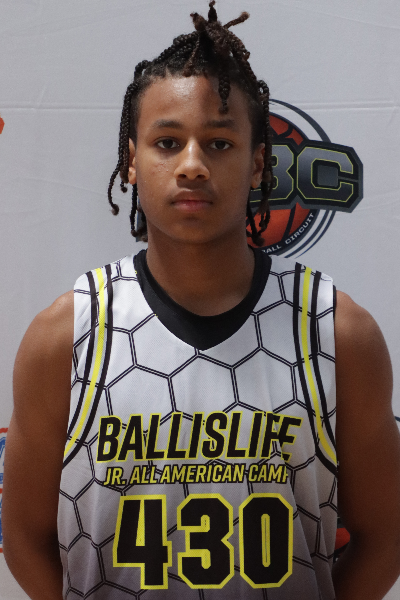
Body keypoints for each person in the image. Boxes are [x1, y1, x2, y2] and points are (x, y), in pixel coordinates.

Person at [3, 2, 400, 599]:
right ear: (131, 161)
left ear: (258, 163)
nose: (192, 165)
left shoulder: (336, 332)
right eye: (167, 142)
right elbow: (24, 536)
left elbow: (385, 536)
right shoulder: (66, 334)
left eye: (218, 143)